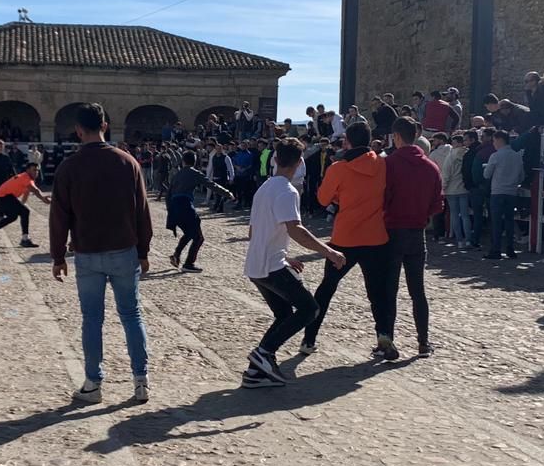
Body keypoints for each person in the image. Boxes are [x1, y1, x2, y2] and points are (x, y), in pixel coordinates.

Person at [50, 103, 151, 405]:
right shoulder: (128, 162)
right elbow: (142, 212)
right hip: (124, 250)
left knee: (92, 319)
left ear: (79, 130)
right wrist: (143, 250)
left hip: (88, 253)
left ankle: (93, 384)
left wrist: (57, 256)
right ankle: (140, 381)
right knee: (131, 315)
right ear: (105, 126)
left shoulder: (69, 167)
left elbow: (59, 216)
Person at [241, 141, 347, 388]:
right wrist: (328, 251)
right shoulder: (287, 191)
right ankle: (263, 353)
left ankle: (255, 374)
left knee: (284, 314)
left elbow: (254, 230)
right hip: (271, 265)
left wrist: (285, 255)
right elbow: (295, 229)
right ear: (300, 163)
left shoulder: (264, 188)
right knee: (310, 309)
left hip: (257, 264)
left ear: (275, 160)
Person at [301, 120, 395, 359]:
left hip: (345, 238)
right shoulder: (383, 165)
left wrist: (340, 199)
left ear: (347, 141)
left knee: (326, 290)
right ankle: (384, 336)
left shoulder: (338, 169)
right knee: (378, 292)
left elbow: (322, 199)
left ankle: (309, 339)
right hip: (375, 237)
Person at [383, 117, 442, 355]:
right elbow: (438, 204)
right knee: (418, 291)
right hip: (418, 233)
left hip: (392, 231)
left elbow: (382, 196)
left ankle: (387, 339)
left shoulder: (389, 164)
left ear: (396, 137)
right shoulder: (431, 167)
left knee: (390, 289)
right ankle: (423, 341)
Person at [164, 150, 227, 270]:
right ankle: (189, 263)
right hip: (185, 205)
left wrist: (170, 211)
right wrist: (228, 194)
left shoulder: (177, 174)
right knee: (198, 237)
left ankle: (176, 255)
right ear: (195, 161)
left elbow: (168, 194)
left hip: (174, 206)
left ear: (183, 161)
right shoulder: (195, 173)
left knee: (189, 233)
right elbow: (211, 185)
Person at [0, 164, 51, 247]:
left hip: (2, 197)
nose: (36, 172)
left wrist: (21, 205)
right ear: (28, 170)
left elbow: (27, 193)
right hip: (3, 197)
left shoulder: (28, 179)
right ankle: (25, 239)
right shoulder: (25, 177)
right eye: (34, 170)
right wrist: (43, 198)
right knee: (25, 211)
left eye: (37, 170)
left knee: (13, 216)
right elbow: (35, 190)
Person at [482, 130, 524, 259]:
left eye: (494, 141)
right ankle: (510, 249)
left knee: (496, 222)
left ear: (499, 140)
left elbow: (486, 175)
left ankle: (496, 250)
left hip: (497, 191)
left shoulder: (495, 156)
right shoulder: (517, 156)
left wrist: (487, 167)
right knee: (509, 221)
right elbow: (521, 176)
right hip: (511, 192)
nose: (493, 144)